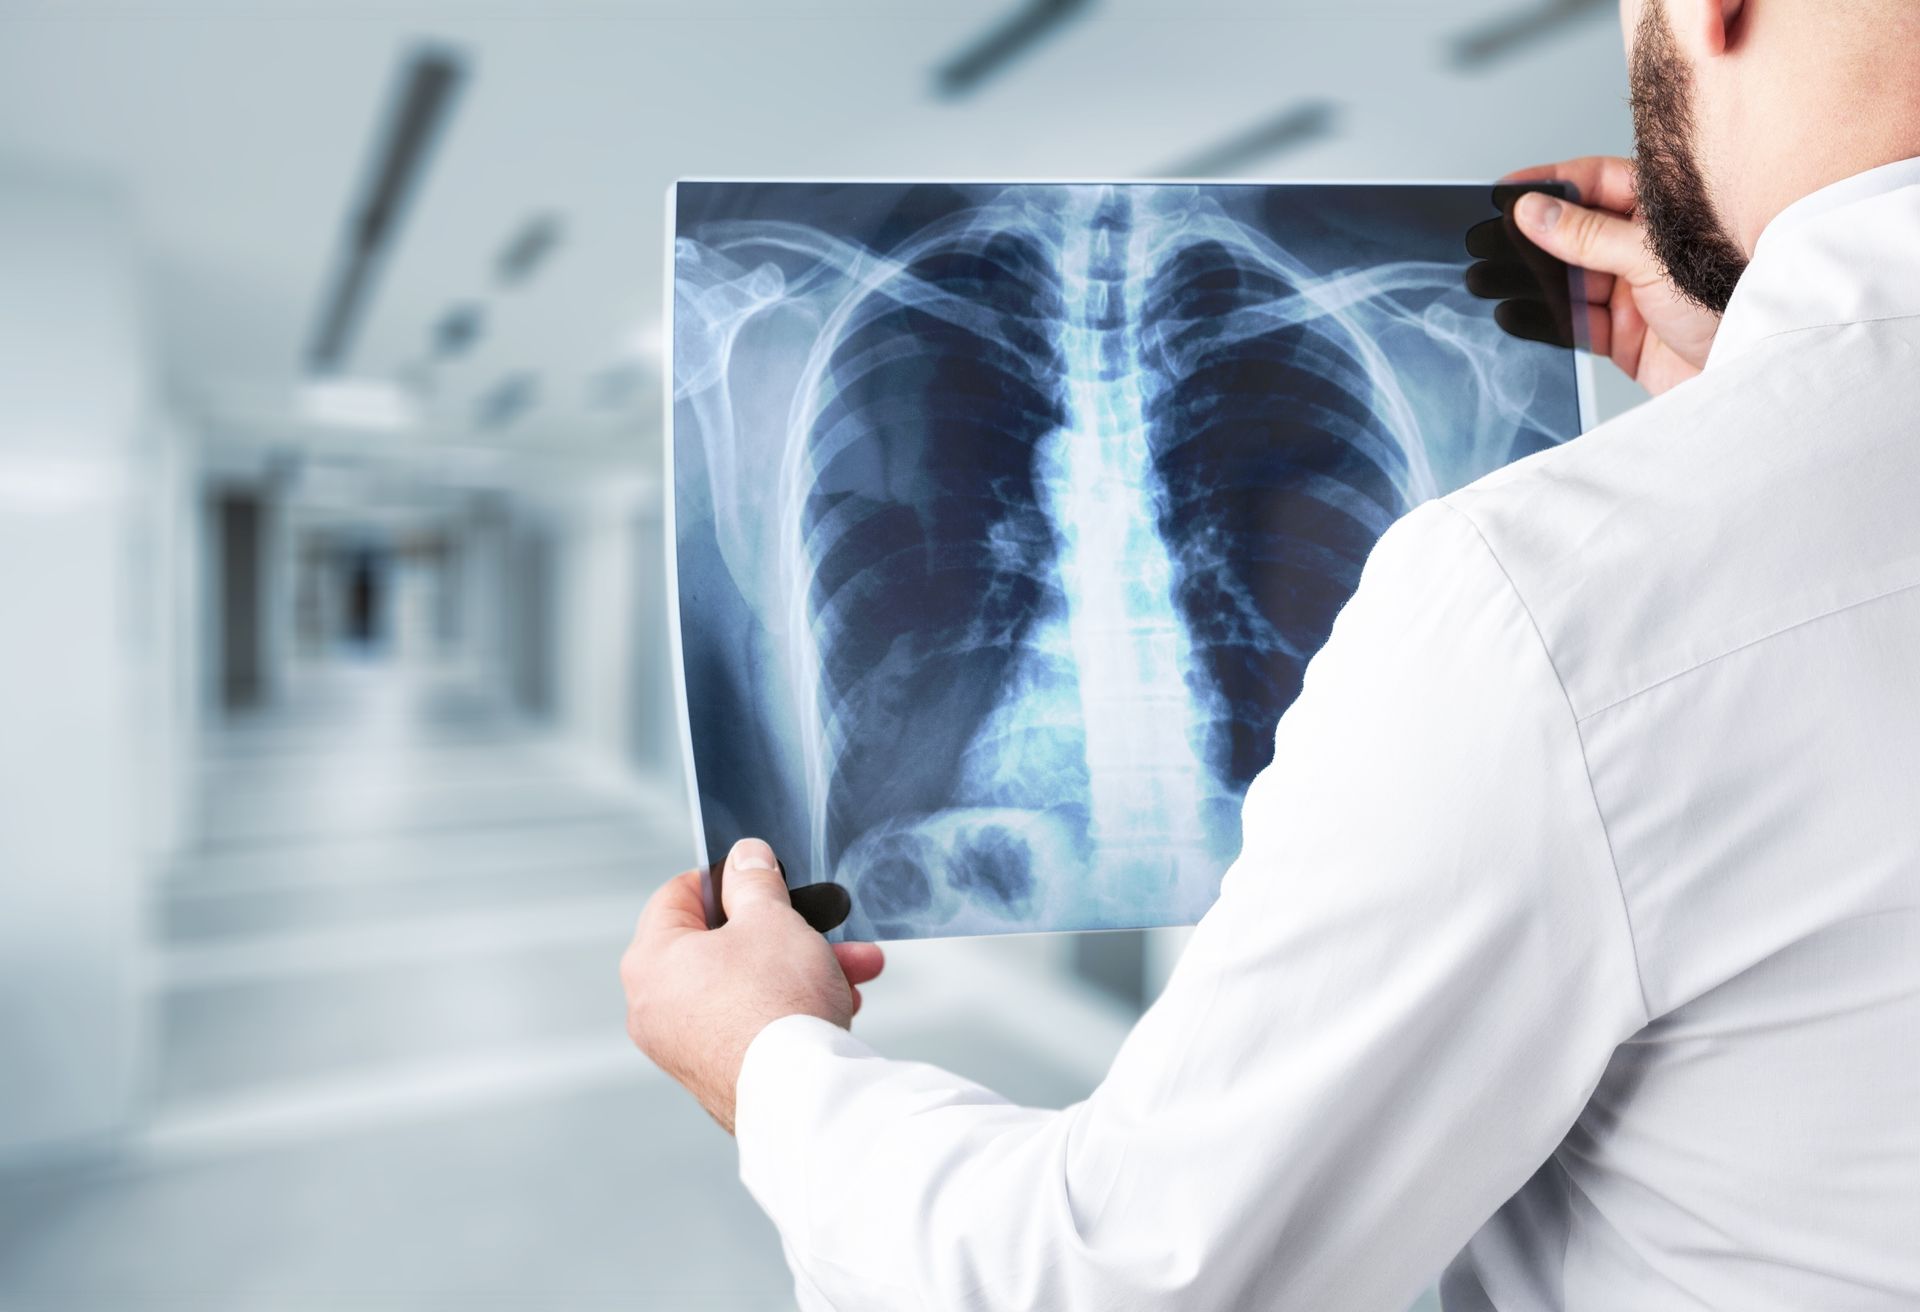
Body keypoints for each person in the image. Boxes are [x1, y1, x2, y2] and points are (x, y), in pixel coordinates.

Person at [621, 0, 1920, 1305]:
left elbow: (1118, 1285)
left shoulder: (1541, 594)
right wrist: (1743, 412)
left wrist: (759, 1054)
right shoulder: (1622, 583)